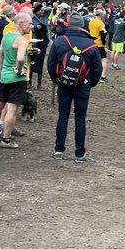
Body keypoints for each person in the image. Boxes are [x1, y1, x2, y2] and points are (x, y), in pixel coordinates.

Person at [46, 12, 102, 161]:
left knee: (63, 115)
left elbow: (50, 64)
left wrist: (56, 79)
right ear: (83, 26)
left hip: (63, 83)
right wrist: (90, 84)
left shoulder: (59, 41)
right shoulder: (92, 44)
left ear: (69, 25)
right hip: (83, 86)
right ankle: (79, 153)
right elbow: (98, 69)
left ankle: (59, 150)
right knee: (80, 118)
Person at [0, 8, 33, 148]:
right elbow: (21, 58)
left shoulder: (6, 36)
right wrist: (19, 68)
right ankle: (6, 140)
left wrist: (4, 69)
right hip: (17, 79)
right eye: (29, 23)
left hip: (4, 76)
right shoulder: (22, 40)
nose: (31, 26)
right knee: (12, 109)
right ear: (20, 23)